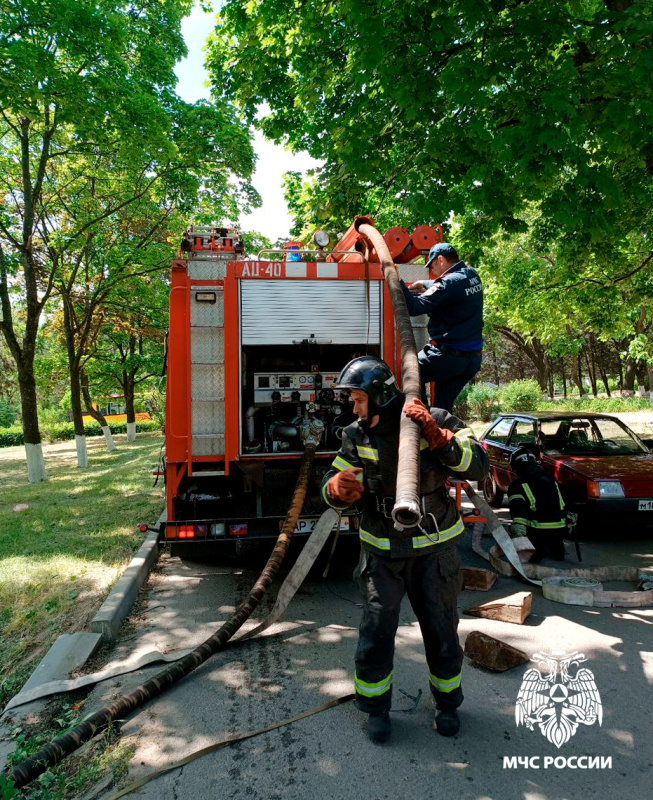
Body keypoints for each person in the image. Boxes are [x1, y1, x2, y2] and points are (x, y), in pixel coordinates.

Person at [321, 355, 489, 743]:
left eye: (358, 398)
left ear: (380, 396)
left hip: (435, 549)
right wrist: (335, 489)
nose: (353, 406)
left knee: (442, 631)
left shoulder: (437, 418)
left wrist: (438, 437)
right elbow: (332, 479)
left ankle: (448, 705)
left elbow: (479, 465)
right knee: (376, 634)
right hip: (381, 552)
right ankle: (376, 710)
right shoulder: (355, 435)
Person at [400, 242, 483, 412]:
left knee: (412, 370)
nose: (432, 269)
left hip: (448, 357)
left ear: (440, 260)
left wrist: (397, 281)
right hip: (472, 361)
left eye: (432, 265)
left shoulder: (447, 284)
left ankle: (419, 415)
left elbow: (413, 308)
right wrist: (425, 283)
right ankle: (441, 433)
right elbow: (451, 286)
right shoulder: (471, 274)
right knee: (442, 409)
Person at [507, 445, 567, 563]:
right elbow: (563, 501)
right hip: (560, 529)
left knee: (532, 559)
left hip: (537, 530)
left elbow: (518, 510)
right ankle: (556, 551)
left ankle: (539, 551)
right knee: (558, 555)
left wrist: (518, 532)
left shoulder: (517, 485)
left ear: (516, 467)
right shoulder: (550, 478)